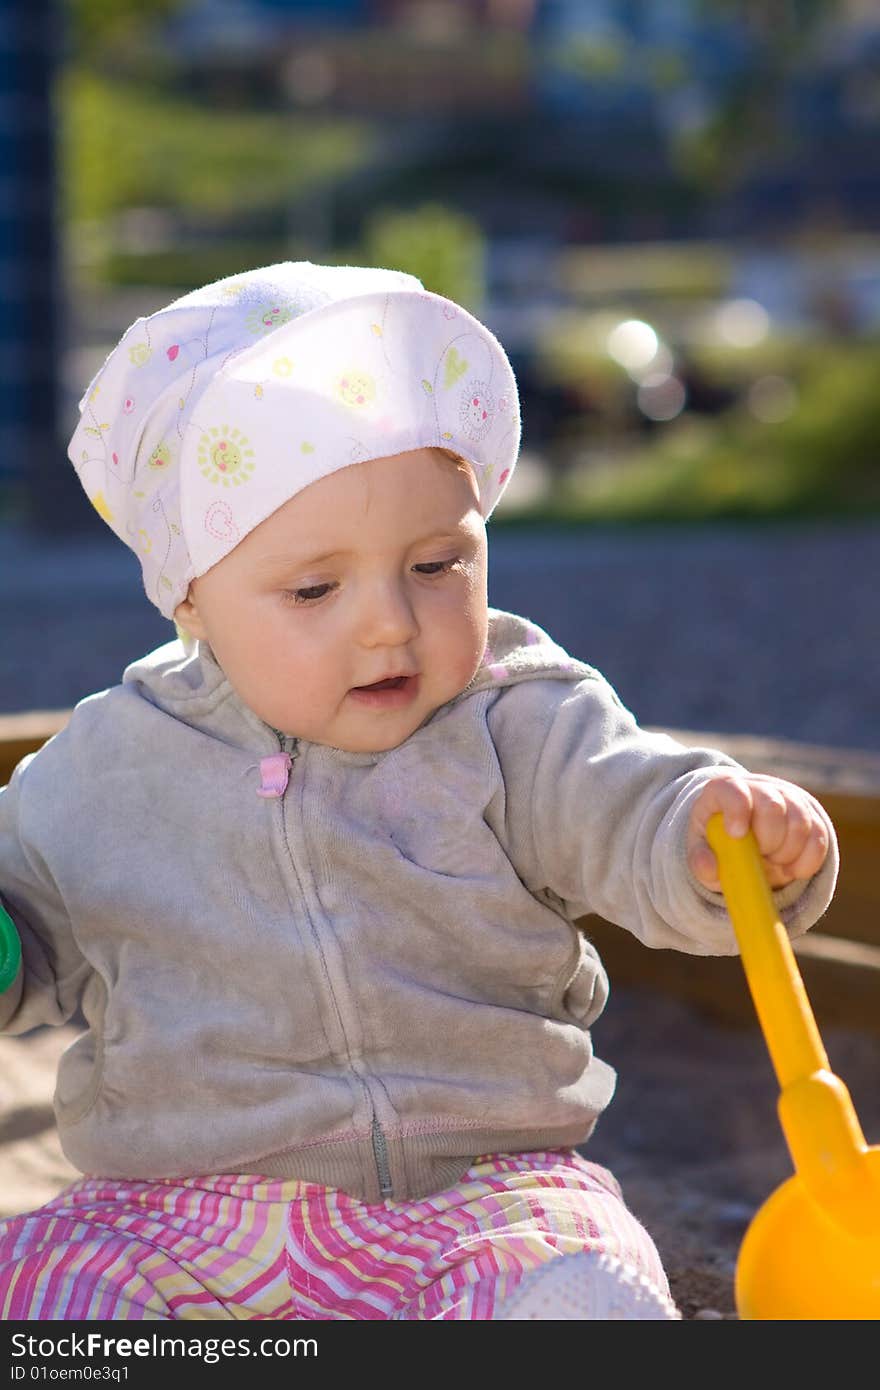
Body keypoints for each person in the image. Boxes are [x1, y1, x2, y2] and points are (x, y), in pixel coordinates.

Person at [0, 263, 837, 1321]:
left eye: (438, 564)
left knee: (587, 1291)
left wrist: (710, 835)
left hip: (483, 1199)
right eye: (315, 588)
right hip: (176, 1211)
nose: (389, 621)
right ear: (190, 596)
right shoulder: (102, 771)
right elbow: (23, 935)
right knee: (47, 1291)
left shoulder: (515, 719)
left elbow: (625, 804)